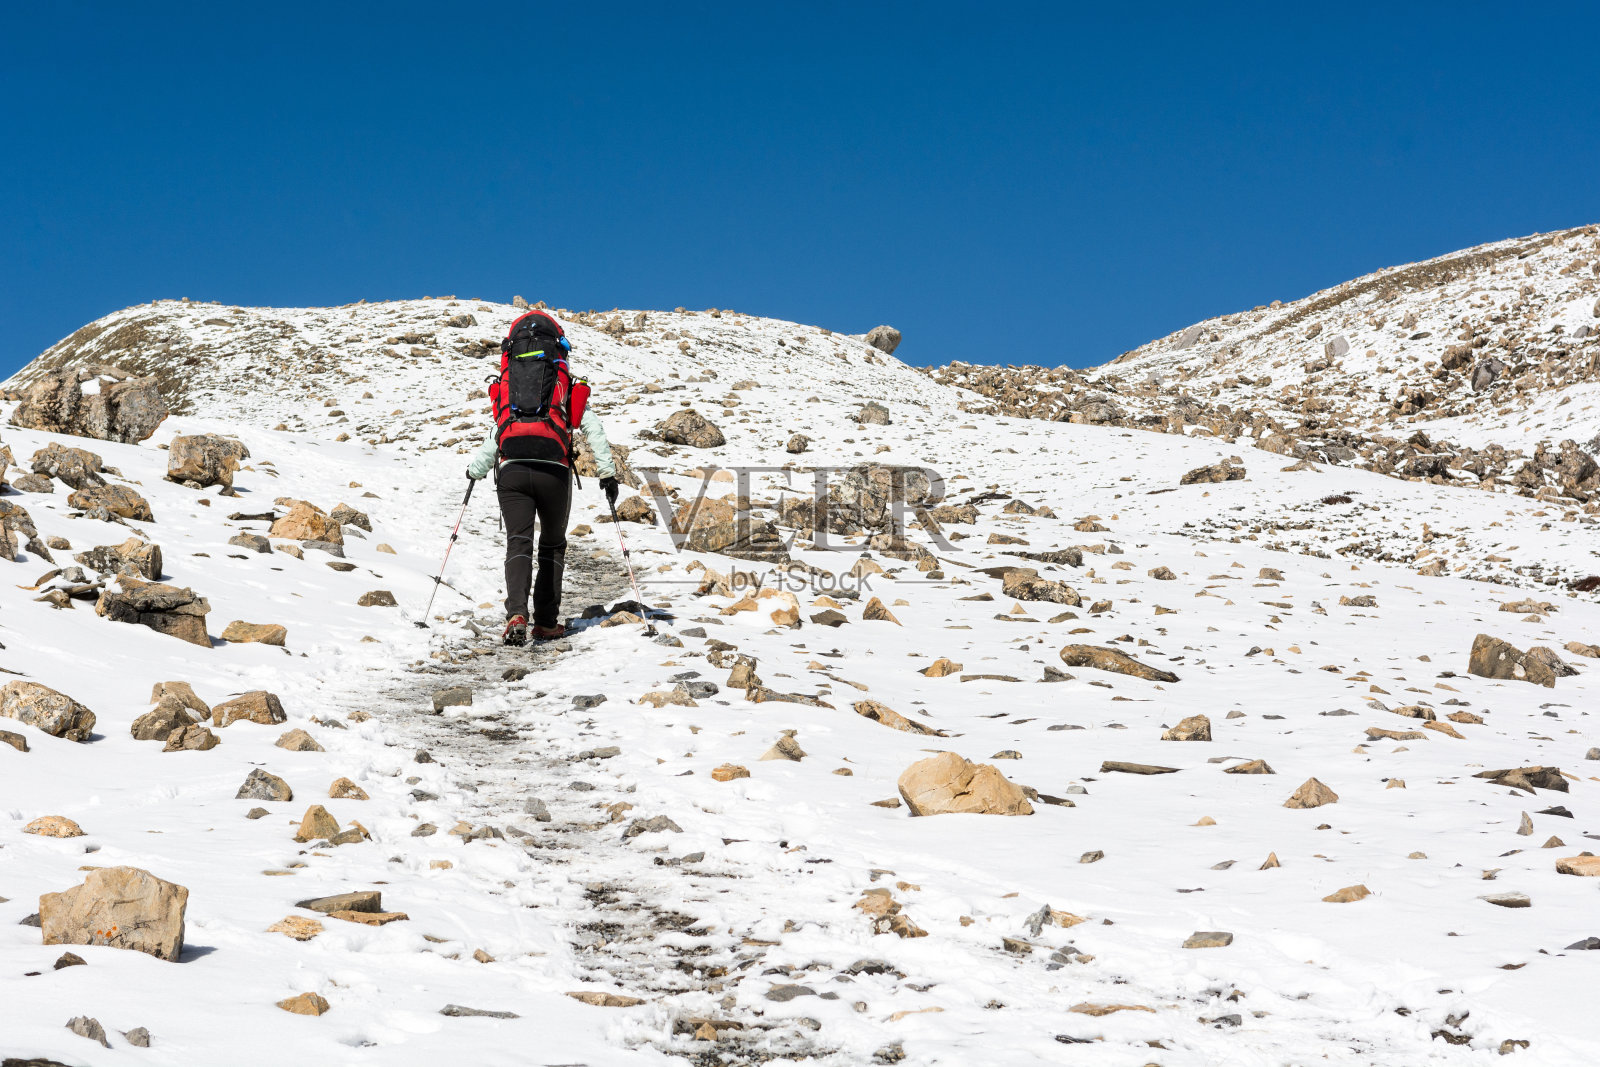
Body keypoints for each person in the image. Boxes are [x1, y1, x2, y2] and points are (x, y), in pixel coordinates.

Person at [468, 310, 619, 645]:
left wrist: (475, 471)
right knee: (552, 545)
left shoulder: (512, 389)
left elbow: (497, 431)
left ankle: (517, 614)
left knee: (518, 541)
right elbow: (592, 428)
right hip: (554, 471)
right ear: (558, 353)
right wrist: (607, 474)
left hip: (513, 470)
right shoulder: (563, 387)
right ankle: (547, 622)